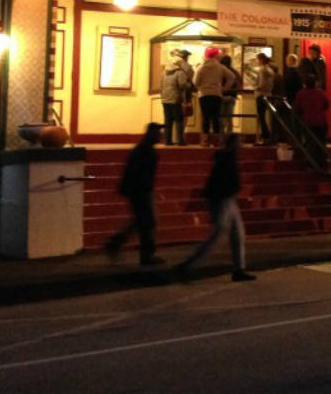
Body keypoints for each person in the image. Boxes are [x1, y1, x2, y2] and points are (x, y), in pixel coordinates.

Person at [177, 134, 255, 282]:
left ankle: (238, 269)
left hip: (227, 199)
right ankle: (189, 265)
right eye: (239, 142)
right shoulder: (227, 158)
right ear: (233, 144)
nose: (241, 145)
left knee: (237, 234)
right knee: (219, 235)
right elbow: (224, 181)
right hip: (223, 199)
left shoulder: (226, 157)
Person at [105, 123, 164, 266]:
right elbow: (138, 173)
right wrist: (144, 190)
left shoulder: (144, 149)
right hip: (140, 190)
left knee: (141, 221)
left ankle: (116, 243)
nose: (161, 136)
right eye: (158, 133)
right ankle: (146, 256)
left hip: (138, 190)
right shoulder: (145, 151)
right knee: (147, 222)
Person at [194, 47, 236, 147]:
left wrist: (201, 87)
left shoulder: (201, 67)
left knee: (205, 117)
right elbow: (232, 77)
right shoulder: (220, 67)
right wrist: (225, 88)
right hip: (216, 94)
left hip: (203, 95)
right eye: (218, 54)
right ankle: (217, 140)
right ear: (215, 56)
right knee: (216, 117)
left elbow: (195, 81)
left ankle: (205, 141)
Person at [160, 49, 193, 146]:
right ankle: (180, 141)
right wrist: (189, 85)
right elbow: (182, 85)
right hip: (175, 98)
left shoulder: (164, 72)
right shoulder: (180, 72)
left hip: (165, 98)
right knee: (179, 120)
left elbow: (161, 85)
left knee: (168, 120)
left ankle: (167, 140)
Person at [294, 74, 330, 144]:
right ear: (315, 83)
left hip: (308, 122)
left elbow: (297, 108)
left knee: (311, 143)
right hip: (321, 122)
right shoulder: (320, 92)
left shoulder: (301, 94)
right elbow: (326, 105)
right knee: (321, 143)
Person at [253, 52, 278, 145]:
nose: (256, 61)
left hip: (260, 95)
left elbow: (262, 84)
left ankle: (265, 136)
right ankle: (268, 136)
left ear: (261, 60)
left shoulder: (262, 70)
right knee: (266, 116)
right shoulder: (270, 70)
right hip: (268, 94)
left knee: (261, 116)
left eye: (257, 59)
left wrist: (255, 87)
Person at [218, 54, 241, 137]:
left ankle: (221, 136)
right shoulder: (235, 72)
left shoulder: (220, 71)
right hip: (232, 96)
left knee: (220, 118)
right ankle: (229, 136)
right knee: (229, 118)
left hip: (221, 96)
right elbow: (239, 85)